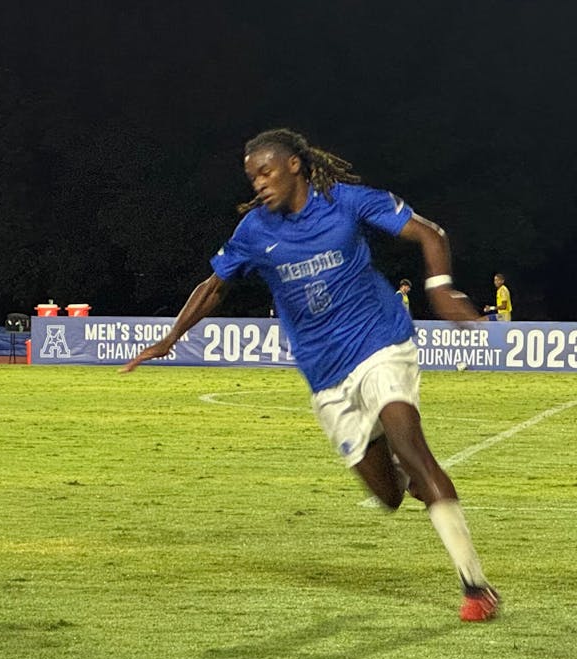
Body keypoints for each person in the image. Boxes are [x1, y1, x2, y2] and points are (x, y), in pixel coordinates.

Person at [122, 128, 499, 622]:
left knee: (411, 443)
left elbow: (430, 233)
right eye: (251, 176)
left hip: (381, 342)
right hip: (325, 376)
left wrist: (442, 288)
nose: (257, 183)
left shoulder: (346, 202)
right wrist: (171, 338)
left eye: (265, 171)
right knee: (388, 494)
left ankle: (476, 588)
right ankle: (412, 477)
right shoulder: (255, 231)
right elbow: (215, 286)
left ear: (294, 165)